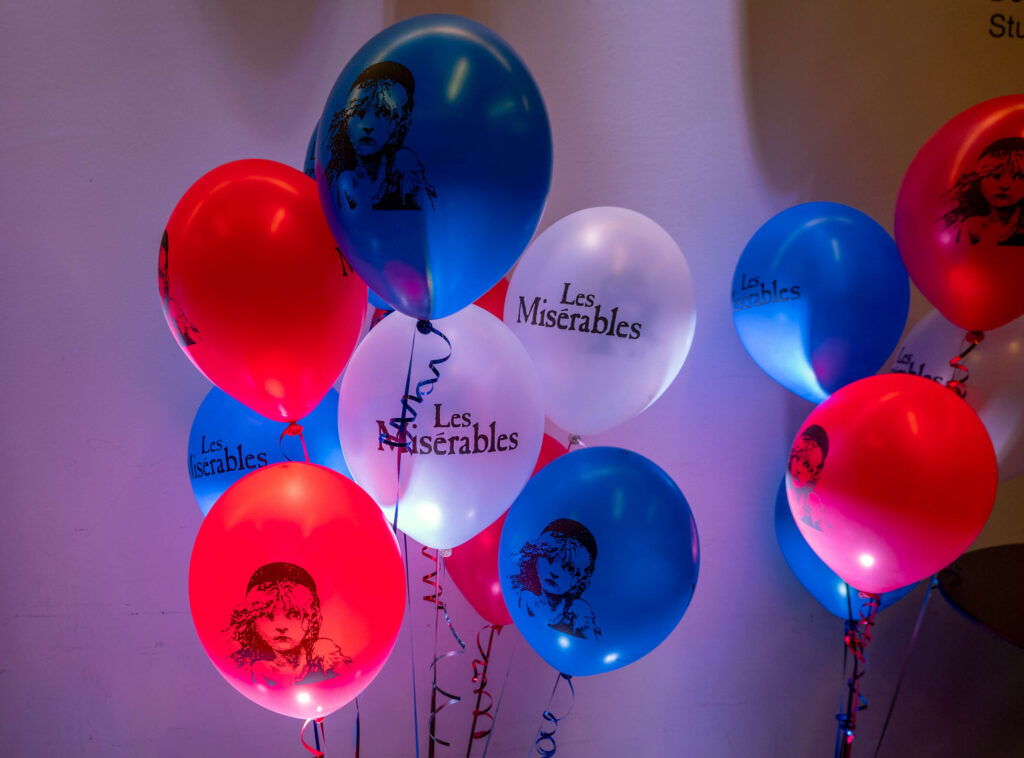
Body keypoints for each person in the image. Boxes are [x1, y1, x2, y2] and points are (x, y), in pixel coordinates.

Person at [323, 61, 437, 211]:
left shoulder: (406, 171)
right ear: (346, 122)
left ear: (399, 123)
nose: (368, 125)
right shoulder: (345, 180)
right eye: (359, 113)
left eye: (382, 114)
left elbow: (426, 224)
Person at [225, 562, 351, 688]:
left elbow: (346, 684)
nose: (281, 626)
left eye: (294, 614)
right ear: (252, 622)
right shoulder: (245, 667)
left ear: (311, 619)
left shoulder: (324, 660)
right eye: (268, 616)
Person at [510, 518, 602, 640]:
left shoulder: (579, 615)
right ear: (536, 558)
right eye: (548, 558)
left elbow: (592, 647)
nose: (554, 571)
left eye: (568, 567)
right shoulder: (523, 600)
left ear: (580, 578)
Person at [942, 137, 1024, 246]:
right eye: (994, 176)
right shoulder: (972, 226)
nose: (1004, 185)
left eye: (1017, 176)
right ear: (978, 182)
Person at [158, 230, 200, 346]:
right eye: (162, 273)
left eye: (165, 270)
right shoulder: (176, 312)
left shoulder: (182, 317)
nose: (165, 279)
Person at [787, 424, 829, 532]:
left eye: (806, 465)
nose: (798, 469)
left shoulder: (816, 509)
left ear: (814, 473)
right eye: (797, 457)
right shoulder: (792, 501)